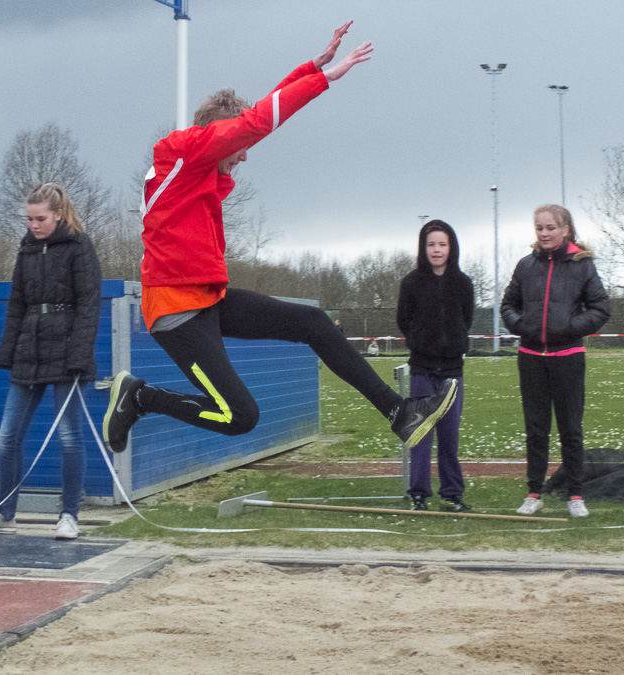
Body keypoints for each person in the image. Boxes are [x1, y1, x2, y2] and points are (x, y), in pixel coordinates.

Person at [103, 22, 456, 458]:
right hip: (177, 311)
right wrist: (324, 80)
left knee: (314, 323)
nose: (246, 154)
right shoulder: (184, 152)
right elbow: (254, 123)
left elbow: (252, 119)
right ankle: (139, 397)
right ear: (218, 134)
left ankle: (400, 413)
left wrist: (309, 67)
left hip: (207, 296)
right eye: (239, 144)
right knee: (239, 417)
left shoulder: (199, 168)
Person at [0, 183, 103, 540]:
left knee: (69, 437)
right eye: (29, 219)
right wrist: (8, 352)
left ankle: (69, 516)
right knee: (7, 436)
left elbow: (90, 304)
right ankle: (5, 513)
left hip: (67, 354)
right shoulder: (25, 250)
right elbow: (16, 304)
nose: (33, 225)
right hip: (28, 353)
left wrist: (79, 355)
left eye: (40, 218)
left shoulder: (80, 246)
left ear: (58, 215)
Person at [500, 204, 610, 517]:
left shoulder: (583, 265)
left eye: (550, 227)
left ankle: (575, 495)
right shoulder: (525, 266)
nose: (544, 233)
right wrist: (524, 327)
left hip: (568, 358)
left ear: (565, 229)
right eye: (539, 228)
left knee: (571, 429)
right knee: (536, 429)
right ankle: (534, 492)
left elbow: (600, 309)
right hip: (531, 358)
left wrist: (568, 329)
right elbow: (508, 305)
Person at [397, 220, 474, 512]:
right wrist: (420, 340)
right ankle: (418, 494)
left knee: (449, 436)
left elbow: (465, 319)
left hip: (452, 372)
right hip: (421, 369)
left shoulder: (463, 283)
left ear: (450, 247)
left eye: (442, 244)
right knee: (419, 433)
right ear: (423, 248)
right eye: (431, 244)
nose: (437, 250)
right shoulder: (411, 283)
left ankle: (452, 494)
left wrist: (451, 343)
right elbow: (404, 320)